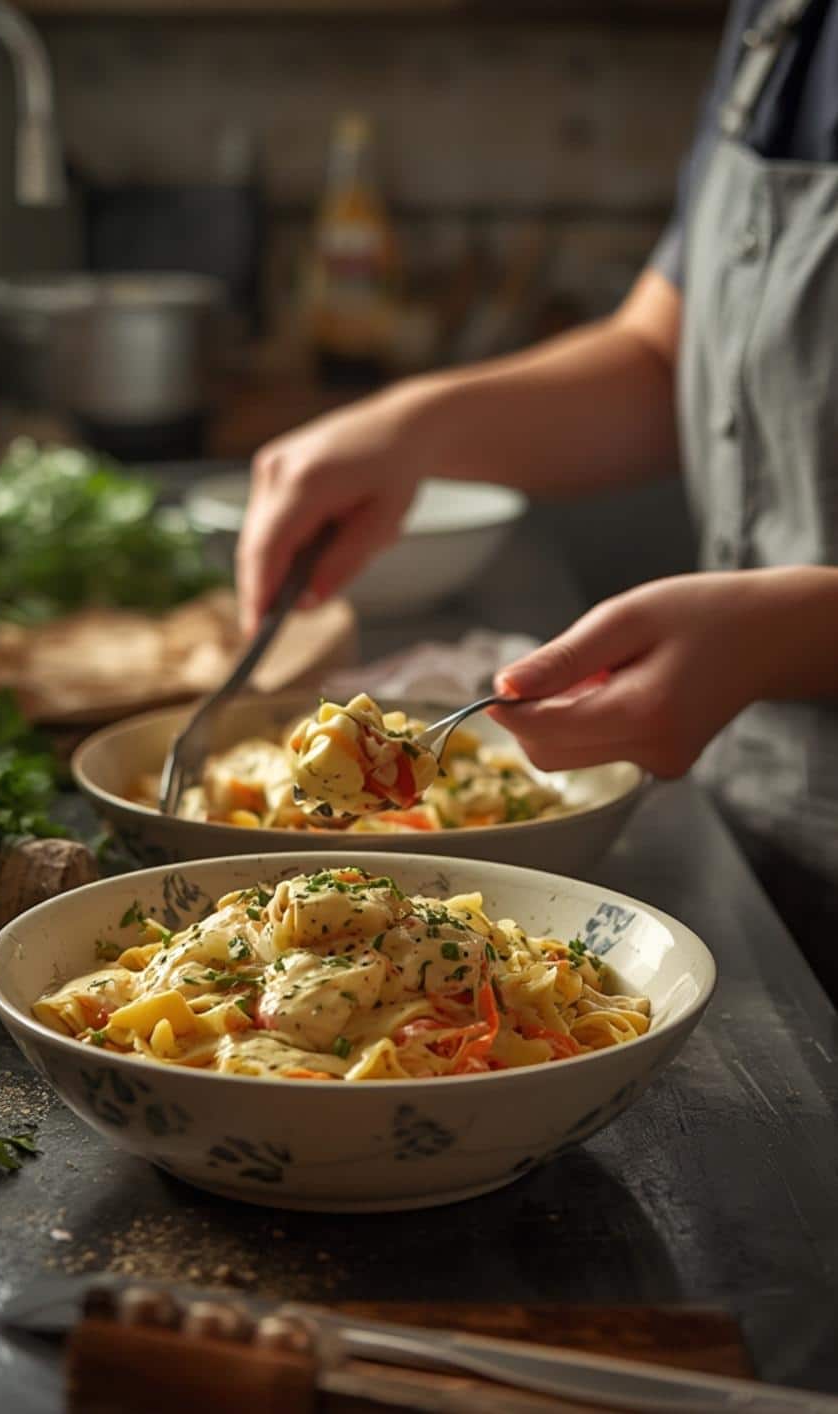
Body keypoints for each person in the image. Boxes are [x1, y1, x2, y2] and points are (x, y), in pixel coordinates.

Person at [236, 0, 838, 1000]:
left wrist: (798, 632)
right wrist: (415, 426)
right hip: (757, 834)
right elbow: (666, 356)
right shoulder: (777, 20)